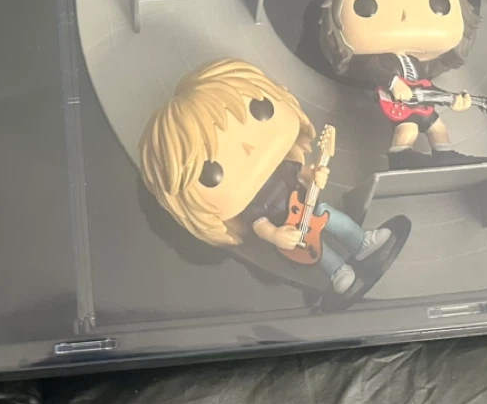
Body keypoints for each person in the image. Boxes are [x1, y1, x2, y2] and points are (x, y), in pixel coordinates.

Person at [139, 59, 399, 294]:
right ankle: (337, 271)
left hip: (307, 206)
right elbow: (259, 225)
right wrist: (275, 235)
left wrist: (314, 174)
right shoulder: (252, 205)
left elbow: (301, 172)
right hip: (285, 226)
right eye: (210, 172)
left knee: (327, 214)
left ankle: (362, 241)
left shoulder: (282, 167)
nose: (247, 148)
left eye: (260, 109)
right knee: (313, 249)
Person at [316, 0, 487, 169]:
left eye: (438, 2)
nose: (406, 16)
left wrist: (453, 100)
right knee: (407, 129)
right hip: (399, 104)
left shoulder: (416, 62)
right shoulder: (379, 61)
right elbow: (372, 71)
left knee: (438, 128)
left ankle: (445, 155)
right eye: (366, 5)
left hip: (421, 105)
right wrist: (393, 83)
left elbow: (425, 86)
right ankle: (400, 157)